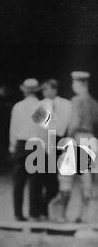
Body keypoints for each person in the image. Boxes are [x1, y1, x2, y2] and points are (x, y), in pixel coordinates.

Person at [58, 70, 98, 224]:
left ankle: (62, 214)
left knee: (66, 178)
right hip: (91, 140)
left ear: (80, 84)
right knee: (86, 181)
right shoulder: (94, 103)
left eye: (73, 83)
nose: (72, 85)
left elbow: (74, 123)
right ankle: (83, 214)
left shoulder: (76, 100)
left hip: (77, 139)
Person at [8, 78, 49, 221]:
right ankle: (34, 213)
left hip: (21, 143)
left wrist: (12, 146)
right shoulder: (43, 107)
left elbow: (13, 129)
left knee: (18, 182)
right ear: (37, 91)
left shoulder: (17, 107)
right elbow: (44, 130)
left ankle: (18, 214)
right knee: (35, 181)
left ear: (24, 91)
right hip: (37, 144)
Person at [40, 79, 72, 216]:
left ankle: (54, 209)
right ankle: (43, 209)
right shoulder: (40, 104)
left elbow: (69, 123)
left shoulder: (66, 104)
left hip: (59, 140)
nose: (44, 92)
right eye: (43, 90)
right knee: (44, 177)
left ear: (54, 89)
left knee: (56, 178)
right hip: (44, 139)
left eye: (46, 89)